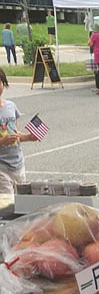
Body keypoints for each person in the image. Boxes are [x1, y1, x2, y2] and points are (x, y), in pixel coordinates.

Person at [0, 68, 37, 200]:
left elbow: (16, 134)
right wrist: (2, 142)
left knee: (22, 201)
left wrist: (28, 137)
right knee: (7, 206)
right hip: (1, 168)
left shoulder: (11, 106)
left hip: (17, 163)